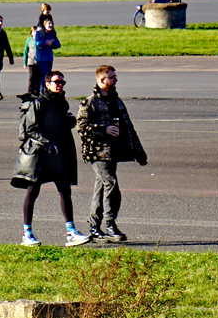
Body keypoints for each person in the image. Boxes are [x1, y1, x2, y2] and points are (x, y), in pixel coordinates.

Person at [11, 69, 91, 248]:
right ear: (47, 84)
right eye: (57, 82)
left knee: (65, 191)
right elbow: (31, 129)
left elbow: (57, 124)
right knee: (33, 192)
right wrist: (47, 143)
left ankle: (71, 232)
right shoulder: (38, 103)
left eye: (63, 82)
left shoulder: (61, 103)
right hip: (40, 155)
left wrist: (68, 121)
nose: (61, 85)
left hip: (58, 155)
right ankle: (27, 234)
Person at [76, 65, 146, 242]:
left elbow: (128, 127)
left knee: (101, 186)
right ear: (101, 80)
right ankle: (109, 224)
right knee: (110, 184)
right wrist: (104, 129)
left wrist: (138, 151)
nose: (115, 80)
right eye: (112, 78)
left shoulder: (117, 101)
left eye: (115, 77)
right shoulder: (90, 102)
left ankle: (94, 226)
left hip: (114, 151)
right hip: (97, 152)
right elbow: (82, 127)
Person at [23, 16, 60, 96]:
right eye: (48, 24)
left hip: (49, 58)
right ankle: (42, 93)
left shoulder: (52, 34)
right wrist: (47, 42)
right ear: (44, 25)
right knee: (44, 77)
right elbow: (38, 43)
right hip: (41, 59)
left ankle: (45, 92)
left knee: (48, 76)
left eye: (51, 23)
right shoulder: (40, 33)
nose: (50, 25)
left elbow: (58, 44)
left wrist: (52, 43)